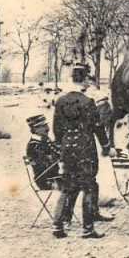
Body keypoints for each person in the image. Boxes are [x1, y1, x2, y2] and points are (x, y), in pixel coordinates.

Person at [51, 63, 116, 239]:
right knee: (88, 186)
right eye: (88, 79)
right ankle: (87, 229)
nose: (89, 83)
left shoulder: (60, 101)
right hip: (85, 148)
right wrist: (107, 147)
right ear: (85, 79)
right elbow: (98, 127)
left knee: (67, 187)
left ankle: (58, 226)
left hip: (67, 148)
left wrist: (61, 147)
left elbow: (56, 129)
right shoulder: (88, 102)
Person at [25, 114, 60, 190]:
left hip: (54, 177)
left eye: (46, 125)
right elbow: (39, 165)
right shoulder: (33, 145)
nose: (48, 128)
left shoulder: (44, 141)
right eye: (44, 126)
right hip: (45, 181)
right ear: (35, 129)